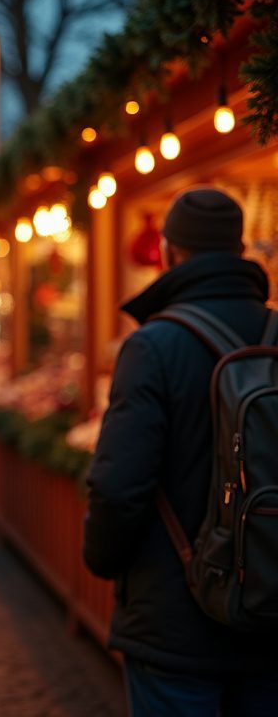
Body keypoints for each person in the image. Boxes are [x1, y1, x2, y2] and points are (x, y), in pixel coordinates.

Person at [83, 187, 278, 716]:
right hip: (271, 601)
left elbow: (118, 484)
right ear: (241, 252)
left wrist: (102, 560)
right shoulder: (275, 331)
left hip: (174, 613)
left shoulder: (152, 346)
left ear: (168, 253)